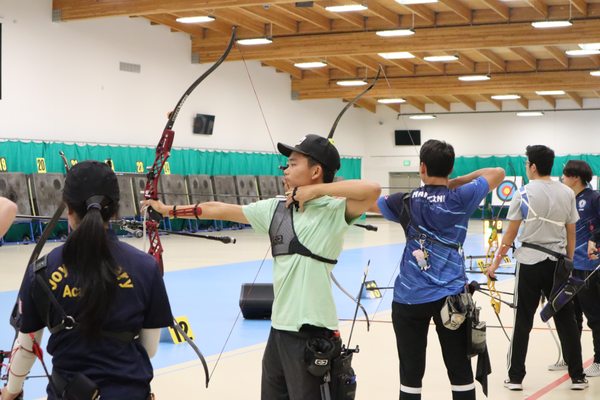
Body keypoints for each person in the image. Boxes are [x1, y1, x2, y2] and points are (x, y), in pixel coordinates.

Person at [146, 134, 381, 400]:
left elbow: (372, 190)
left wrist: (314, 191)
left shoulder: (333, 211)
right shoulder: (276, 209)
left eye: (293, 164)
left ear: (316, 171)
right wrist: (168, 210)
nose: (286, 169)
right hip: (278, 332)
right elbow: (219, 208)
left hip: (312, 333)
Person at [1, 161, 173, 400]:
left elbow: (27, 350)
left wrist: (11, 392)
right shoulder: (145, 267)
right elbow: (149, 349)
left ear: (68, 209)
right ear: (114, 210)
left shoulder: (41, 270)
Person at [370, 139, 505, 400]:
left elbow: (367, 204)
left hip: (409, 299)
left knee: (410, 375)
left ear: (422, 167)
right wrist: (458, 181)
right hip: (451, 299)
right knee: (460, 371)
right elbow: (497, 173)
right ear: (450, 169)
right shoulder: (462, 196)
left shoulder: (404, 201)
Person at [488, 145, 587, 390]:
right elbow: (570, 231)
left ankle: (515, 378)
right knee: (565, 319)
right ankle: (577, 376)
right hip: (557, 265)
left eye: (526, 163)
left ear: (533, 166)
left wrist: (495, 264)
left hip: (530, 262)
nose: (526, 167)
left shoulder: (523, 193)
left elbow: (510, 234)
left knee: (523, 320)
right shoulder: (566, 192)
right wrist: (569, 261)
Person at [561, 160, 600, 377]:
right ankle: (571, 359)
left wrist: (595, 238)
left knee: (594, 315)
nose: (563, 180)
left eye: (565, 176)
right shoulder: (567, 199)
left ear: (575, 177)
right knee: (570, 315)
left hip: (589, 267)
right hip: (569, 266)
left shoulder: (594, 198)